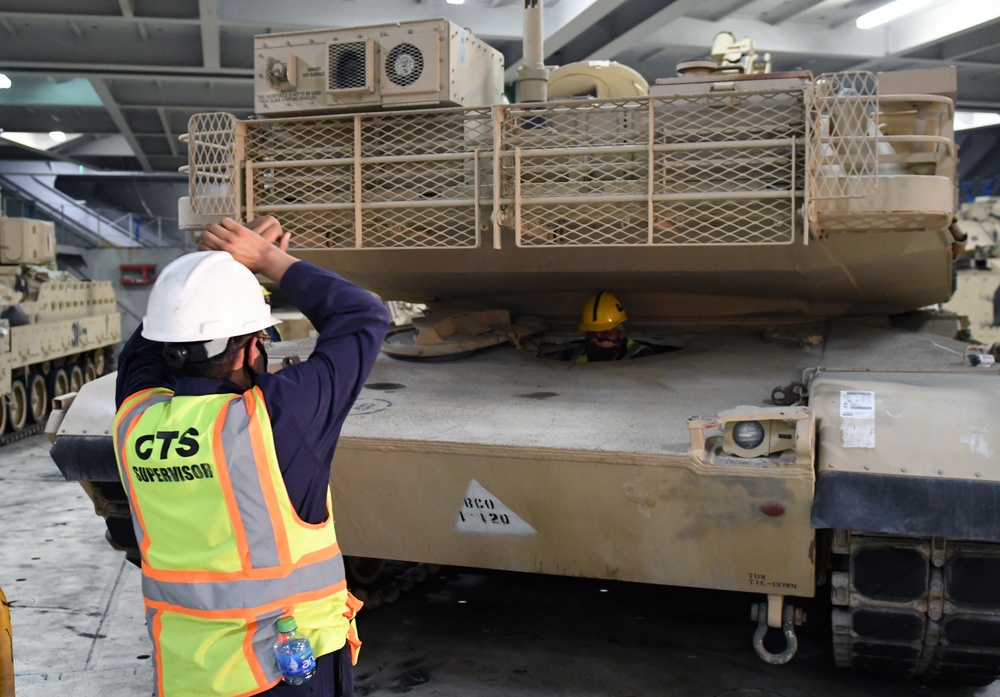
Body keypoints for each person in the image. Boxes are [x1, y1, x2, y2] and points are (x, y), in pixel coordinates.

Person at [112, 216, 390, 697]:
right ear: (252, 346)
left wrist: (210, 272)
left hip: (185, 677)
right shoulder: (275, 418)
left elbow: (142, 355)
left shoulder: (136, 421)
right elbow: (365, 315)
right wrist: (263, 258)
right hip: (282, 674)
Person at [573, 290, 652, 362]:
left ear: (621, 333)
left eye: (606, 333)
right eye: (592, 333)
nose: (598, 340)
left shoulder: (641, 357)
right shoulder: (573, 355)